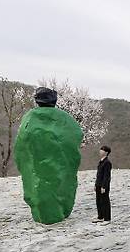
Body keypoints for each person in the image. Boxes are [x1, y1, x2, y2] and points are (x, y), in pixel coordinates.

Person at [14, 87, 83, 224]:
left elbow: (22, 141)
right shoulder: (65, 118)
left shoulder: (30, 117)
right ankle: (62, 210)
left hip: (37, 164)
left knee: (39, 187)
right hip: (60, 162)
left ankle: (43, 214)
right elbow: (77, 135)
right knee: (60, 184)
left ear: (37, 100)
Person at [93, 145, 112, 225]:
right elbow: (99, 175)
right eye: (101, 149)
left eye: (102, 150)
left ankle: (107, 218)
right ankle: (100, 217)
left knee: (105, 201)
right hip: (98, 184)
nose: (100, 151)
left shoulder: (107, 163)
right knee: (99, 201)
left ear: (106, 152)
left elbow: (106, 176)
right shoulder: (101, 161)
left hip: (103, 185)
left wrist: (104, 186)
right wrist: (96, 184)